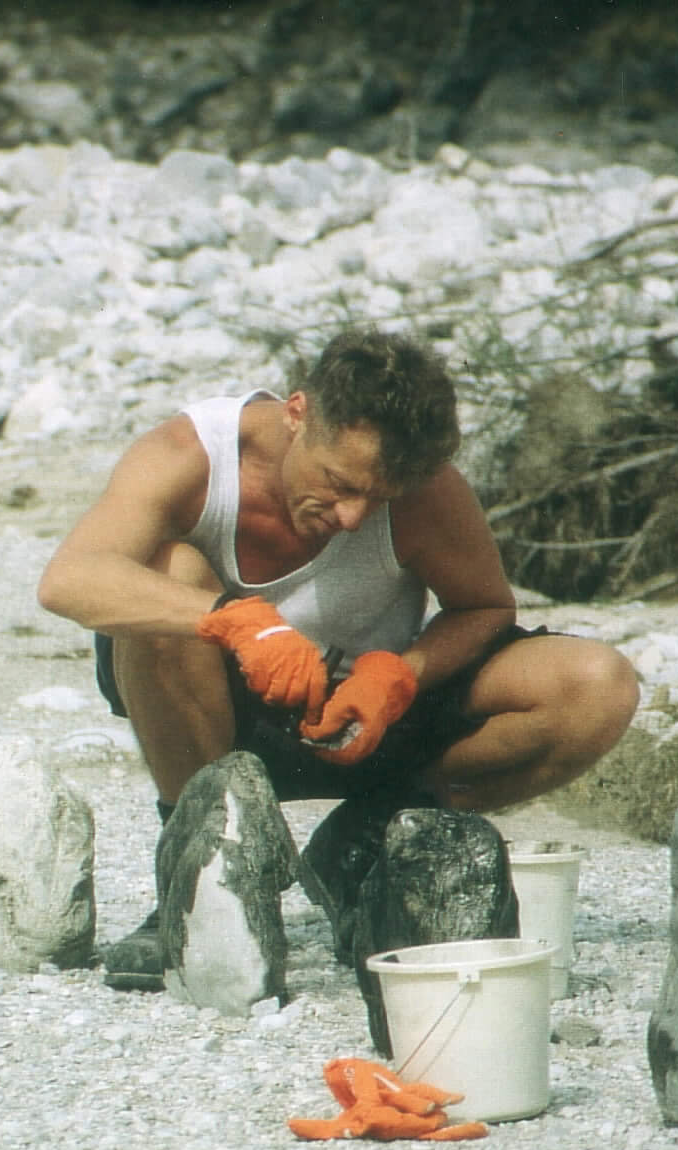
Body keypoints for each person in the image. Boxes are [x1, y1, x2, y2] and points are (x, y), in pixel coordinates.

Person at [36, 327, 639, 987]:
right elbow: (68, 578)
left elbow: (486, 608)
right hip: (220, 723)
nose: (353, 516)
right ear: (297, 415)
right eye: (339, 483)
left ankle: (368, 841)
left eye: (375, 499)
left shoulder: (423, 490)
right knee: (164, 571)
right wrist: (236, 621)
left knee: (596, 685)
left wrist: (401, 675)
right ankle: (199, 878)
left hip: (363, 722)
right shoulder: (193, 454)